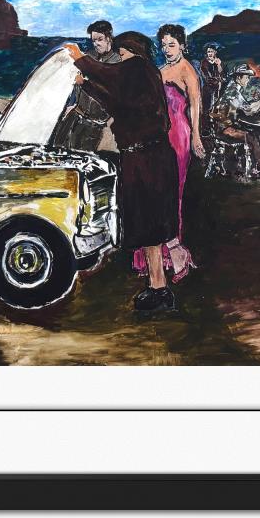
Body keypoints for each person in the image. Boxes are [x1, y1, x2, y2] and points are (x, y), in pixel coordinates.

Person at [65, 34, 180, 311]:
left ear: (132, 51)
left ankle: (159, 289)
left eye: (123, 54)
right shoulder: (144, 76)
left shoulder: (138, 67)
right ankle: (158, 286)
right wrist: (86, 85)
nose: (120, 60)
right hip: (149, 156)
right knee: (150, 226)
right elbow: (116, 101)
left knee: (149, 225)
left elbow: (110, 74)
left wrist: (80, 58)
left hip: (146, 159)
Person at [133, 24, 204, 283]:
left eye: (171, 44)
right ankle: (158, 254)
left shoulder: (187, 70)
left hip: (179, 136)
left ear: (182, 45)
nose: (166, 49)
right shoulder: (160, 70)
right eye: (163, 45)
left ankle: (171, 253)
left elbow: (195, 105)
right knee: (155, 192)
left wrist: (196, 136)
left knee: (173, 193)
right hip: (158, 136)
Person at [53, 20, 121, 151]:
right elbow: (76, 84)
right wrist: (72, 104)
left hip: (94, 123)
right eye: (94, 40)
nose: (96, 44)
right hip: (75, 114)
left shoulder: (117, 62)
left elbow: (109, 90)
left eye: (100, 39)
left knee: (82, 156)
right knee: (57, 150)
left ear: (109, 38)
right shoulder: (89, 56)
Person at [212, 62, 260, 173]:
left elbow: (245, 107)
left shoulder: (234, 89)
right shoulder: (233, 92)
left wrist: (259, 104)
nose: (248, 80)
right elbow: (248, 111)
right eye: (246, 77)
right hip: (224, 129)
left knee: (252, 133)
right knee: (251, 136)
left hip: (227, 125)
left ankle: (258, 165)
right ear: (238, 78)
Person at [199, 42, 223, 136]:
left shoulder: (218, 61)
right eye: (208, 52)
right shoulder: (204, 62)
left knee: (216, 108)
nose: (209, 53)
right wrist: (217, 80)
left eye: (211, 51)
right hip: (208, 89)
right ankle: (206, 129)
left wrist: (219, 65)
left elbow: (221, 73)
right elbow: (207, 77)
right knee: (206, 109)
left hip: (217, 88)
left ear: (215, 52)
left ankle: (215, 128)